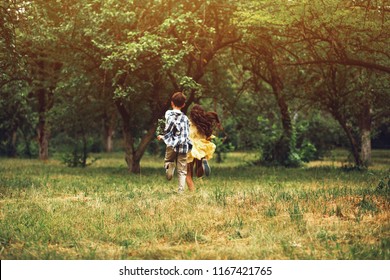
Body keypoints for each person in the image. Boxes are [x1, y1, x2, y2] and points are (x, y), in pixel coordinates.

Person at [157, 92, 192, 193]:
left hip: (172, 145)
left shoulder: (168, 114)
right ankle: (181, 191)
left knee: (168, 160)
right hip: (183, 146)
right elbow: (186, 133)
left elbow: (169, 129)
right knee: (182, 170)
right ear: (184, 105)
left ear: (172, 103)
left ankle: (170, 168)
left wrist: (163, 137)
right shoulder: (185, 118)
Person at [186, 104, 222, 191]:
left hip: (191, 149)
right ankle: (202, 163)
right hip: (201, 147)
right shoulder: (204, 125)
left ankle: (193, 192)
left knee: (188, 174)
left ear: (191, 114)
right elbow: (208, 137)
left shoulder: (188, 124)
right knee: (199, 174)